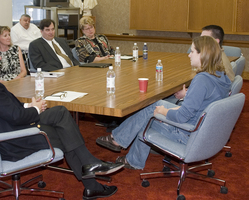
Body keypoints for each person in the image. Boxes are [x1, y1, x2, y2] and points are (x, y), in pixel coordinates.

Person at [0, 37, 124, 199]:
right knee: (65, 134)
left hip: (4, 126)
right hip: (11, 140)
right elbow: (16, 117)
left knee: (60, 112)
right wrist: (36, 109)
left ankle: (90, 166)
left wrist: (29, 107)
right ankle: (91, 183)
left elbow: (1, 109)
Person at [96, 36, 231, 170]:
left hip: (188, 131)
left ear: (203, 54)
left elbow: (182, 116)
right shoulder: (221, 75)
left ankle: (129, 156)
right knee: (154, 105)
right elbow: (211, 95)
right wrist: (188, 94)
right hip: (206, 130)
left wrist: (163, 111)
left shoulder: (201, 79)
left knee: (147, 119)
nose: (189, 55)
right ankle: (118, 139)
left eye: (192, 51)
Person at [166, 25, 235, 105]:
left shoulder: (217, 65)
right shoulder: (217, 59)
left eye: (205, 39)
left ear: (215, 41)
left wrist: (187, 94)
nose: (200, 41)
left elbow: (211, 94)